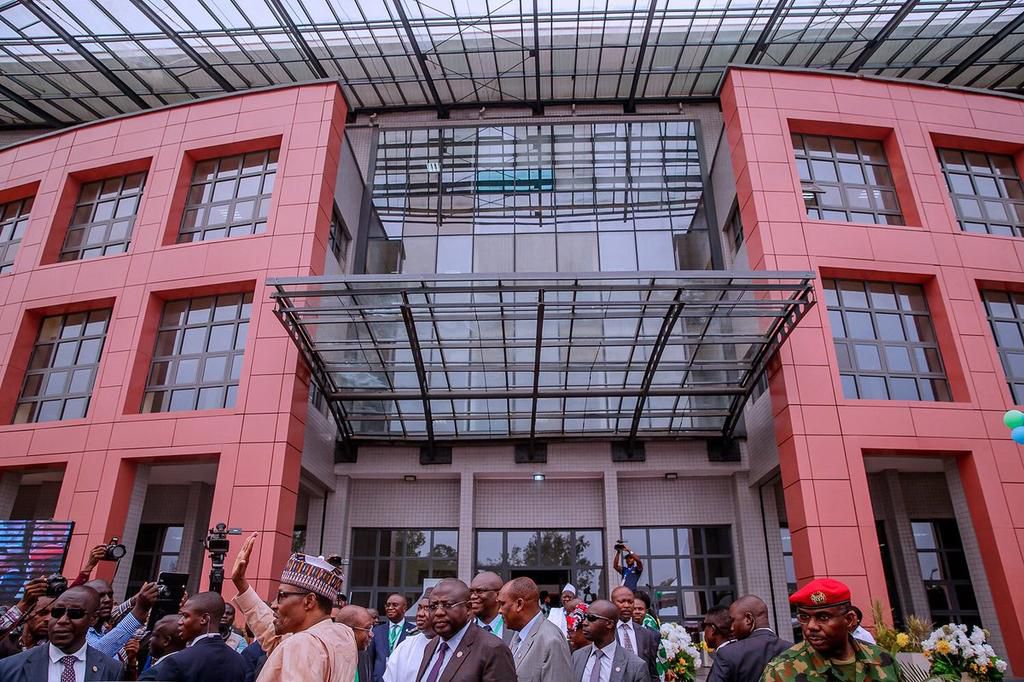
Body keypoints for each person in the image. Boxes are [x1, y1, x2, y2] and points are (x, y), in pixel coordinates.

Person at [231, 532, 357, 682]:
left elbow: (294, 645)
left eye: (281, 596)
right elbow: (276, 638)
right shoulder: (342, 635)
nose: (274, 604)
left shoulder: (302, 644)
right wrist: (241, 585)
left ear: (309, 601)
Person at [761, 579, 901, 682]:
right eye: (804, 617)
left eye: (823, 617)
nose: (811, 626)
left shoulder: (883, 660)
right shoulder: (781, 671)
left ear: (849, 620)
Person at [0, 585, 123, 682]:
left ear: (93, 618)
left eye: (75, 614)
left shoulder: (112, 670)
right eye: (57, 613)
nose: (62, 621)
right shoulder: (9, 668)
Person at [414, 578, 516, 681]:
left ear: (468, 608)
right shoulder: (431, 646)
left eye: (448, 605)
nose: (438, 612)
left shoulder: (492, 649)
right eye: (433, 606)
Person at [141, 591, 251, 682]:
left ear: (204, 619)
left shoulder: (177, 662)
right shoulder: (239, 661)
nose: (180, 622)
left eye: (185, 616)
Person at [498, 577, 572, 681]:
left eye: (502, 604)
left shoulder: (551, 641)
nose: (499, 611)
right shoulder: (517, 634)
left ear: (519, 604)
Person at [707, 596, 791, 682]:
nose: (731, 628)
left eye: (733, 621)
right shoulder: (792, 649)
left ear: (748, 619)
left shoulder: (728, 653)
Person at [571, 599, 647, 682]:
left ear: (610, 624)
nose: (584, 623)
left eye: (591, 618)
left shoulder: (635, 665)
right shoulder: (577, 657)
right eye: (585, 617)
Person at [82, 579, 158, 658]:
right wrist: (139, 611)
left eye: (110, 595)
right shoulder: (81, 632)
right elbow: (96, 656)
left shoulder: (105, 631)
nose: (107, 600)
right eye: (100, 596)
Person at [610, 586, 659, 681]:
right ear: (612, 603)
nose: (627, 605)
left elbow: (652, 670)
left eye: (630, 602)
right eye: (622, 601)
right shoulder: (606, 631)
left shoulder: (647, 634)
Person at [383, 595, 435, 682]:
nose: (420, 614)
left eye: (427, 608)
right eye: (419, 608)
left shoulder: (450, 645)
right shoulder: (406, 646)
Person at [371, 593, 414, 681]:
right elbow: (370, 660)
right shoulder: (376, 631)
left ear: (404, 608)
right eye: (388, 605)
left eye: (395, 605)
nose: (390, 608)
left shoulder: (414, 632)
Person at [470, 572, 512, 644]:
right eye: (471, 592)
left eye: (479, 591)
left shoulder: (514, 628)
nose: (473, 596)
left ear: (498, 595)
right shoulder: (465, 629)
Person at [336, 605, 375, 682]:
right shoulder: (328, 657)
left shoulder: (364, 656)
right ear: (348, 630)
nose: (371, 634)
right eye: (367, 628)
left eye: (371, 628)